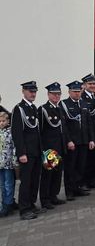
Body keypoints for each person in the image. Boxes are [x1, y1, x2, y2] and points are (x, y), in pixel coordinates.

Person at [11, 81, 43, 219]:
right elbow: (17, 133)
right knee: (26, 181)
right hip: (26, 153)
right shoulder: (19, 109)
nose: (33, 94)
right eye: (30, 91)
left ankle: (31, 204)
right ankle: (24, 209)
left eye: (34, 91)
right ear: (23, 91)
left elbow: (37, 131)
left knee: (35, 179)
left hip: (36, 151)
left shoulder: (34, 108)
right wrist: (21, 153)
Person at [61, 81, 95, 199]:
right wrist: (68, 141)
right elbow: (64, 126)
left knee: (81, 166)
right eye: (74, 91)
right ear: (69, 92)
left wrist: (91, 139)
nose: (77, 94)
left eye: (78, 91)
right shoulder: (64, 104)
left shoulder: (84, 104)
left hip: (84, 140)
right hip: (72, 142)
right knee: (70, 167)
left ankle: (78, 187)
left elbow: (89, 123)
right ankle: (69, 191)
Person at [38, 82, 68, 209]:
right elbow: (40, 130)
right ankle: (45, 199)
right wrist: (43, 149)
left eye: (58, 94)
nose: (56, 96)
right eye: (54, 94)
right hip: (49, 148)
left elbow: (63, 128)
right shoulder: (43, 109)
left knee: (57, 174)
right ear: (48, 94)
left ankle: (53, 196)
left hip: (60, 146)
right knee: (48, 175)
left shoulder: (59, 108)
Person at [0, 112, 17, 217]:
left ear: (8, 121)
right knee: (2, 184)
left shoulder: (10, 132)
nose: (1, 123)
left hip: (8, 163)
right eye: (0, 121)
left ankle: (8, 204)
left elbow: (14, 147)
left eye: (3, 121)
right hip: (0, 163)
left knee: (8, 184)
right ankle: (4, 203)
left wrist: (15, 160)